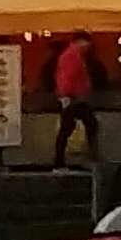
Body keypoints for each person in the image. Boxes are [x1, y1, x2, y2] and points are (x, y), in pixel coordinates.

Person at [51, 29, 101, 170]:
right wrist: (66, 95)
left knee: (68, 128)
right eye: (86, 43)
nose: (88, 47)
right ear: (81, 42)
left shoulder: (71, 55)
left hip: (73, 97)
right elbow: (67, 77)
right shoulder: (72, 56)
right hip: (74, 98)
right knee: (87, 125)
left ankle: (60, 161)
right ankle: (88, 157)